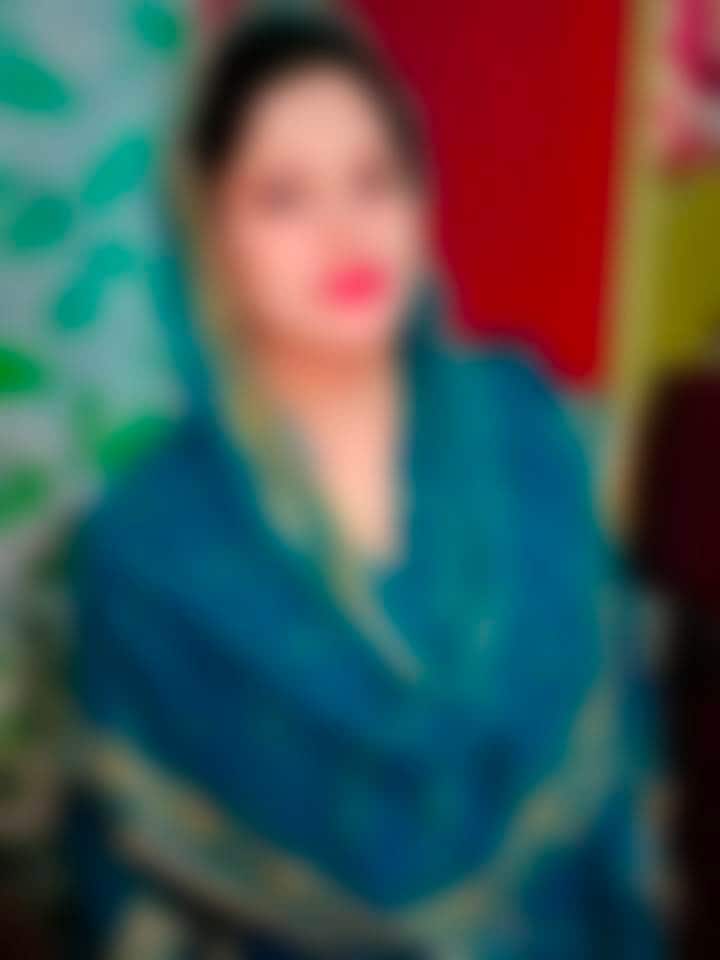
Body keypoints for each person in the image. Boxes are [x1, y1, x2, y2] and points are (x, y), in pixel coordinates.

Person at [67, 6, 664, 958]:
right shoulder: (149, 548)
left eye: (373, 180)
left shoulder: (527, 434)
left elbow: (615, 788)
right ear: (212, 233)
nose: (344, 232)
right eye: (285, 197)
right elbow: (135, 889)